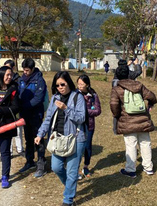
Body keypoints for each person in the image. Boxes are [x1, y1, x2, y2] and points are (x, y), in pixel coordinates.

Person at [35, 71, 86, 206]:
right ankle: (70, 188)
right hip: (57, 138)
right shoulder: (55, 98)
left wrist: (66, 108)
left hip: (75, 138)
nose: (60, 87)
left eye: (62, 84)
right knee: (56, 167)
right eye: (57, 85)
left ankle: (68, 200)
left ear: (69, 83)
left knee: (72, 171)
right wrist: (40, 134)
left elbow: (81, 118)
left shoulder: (77, 97)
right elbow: (48, 118)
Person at [110, 61, 157, 178]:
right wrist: (150, 104)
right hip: (143, 119)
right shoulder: (139, 85)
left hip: (127, 121)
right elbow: (152, 96)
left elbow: (114, 106)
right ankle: (148, 168)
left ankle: (131, 170)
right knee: (145, 143)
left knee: (131, 145)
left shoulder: (117, 89)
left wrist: (117, 116)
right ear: (129, 74)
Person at [18, 58, 47, 178]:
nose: (25, 72)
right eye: (24, 70)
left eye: (27, 70)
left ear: (33, 69)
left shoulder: (39, 80)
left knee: (38, 139)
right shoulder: (20, 80)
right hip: (25, 115)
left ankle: (41, 165)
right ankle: (29, 161)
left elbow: (38, 98)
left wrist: (25, 106)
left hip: (36, 115)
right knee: (28, 139)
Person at [76, 74, 102, 179]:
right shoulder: (75, 94)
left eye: (82, 84)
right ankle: (75, 168)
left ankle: (86, 166)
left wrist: (85, 112)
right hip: (77, 125)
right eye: (78, 84)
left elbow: (98, 110)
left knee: (87, 146)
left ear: (87, 84)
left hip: (89, 125)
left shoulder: (93, 95)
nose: (79, 86)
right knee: (76, 147)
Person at [4, 59, 25, 157]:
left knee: (18, 129)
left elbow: (21, 94)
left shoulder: (19, 80)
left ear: (13, 68)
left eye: (8, 68)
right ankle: (9, 151)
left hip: (17, 108)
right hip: (6, 109)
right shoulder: (3, 80)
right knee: (7, 129)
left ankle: (20, 149)